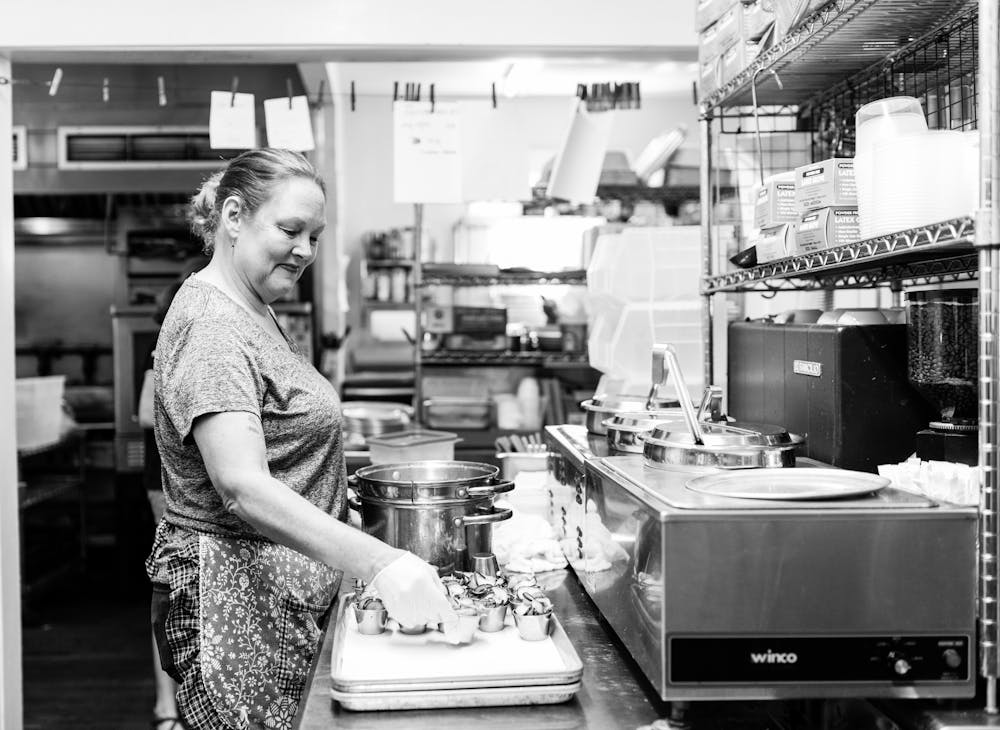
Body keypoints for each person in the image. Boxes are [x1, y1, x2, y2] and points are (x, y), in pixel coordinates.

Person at [145, 148, 457, 730]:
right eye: (290, 231)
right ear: (233, 216)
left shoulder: (252, 307)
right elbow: (243, 487)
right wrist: (382, 562)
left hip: (277, 597)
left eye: (314, 236)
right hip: (232, 603)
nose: (305, 251)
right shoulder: (213, 326)